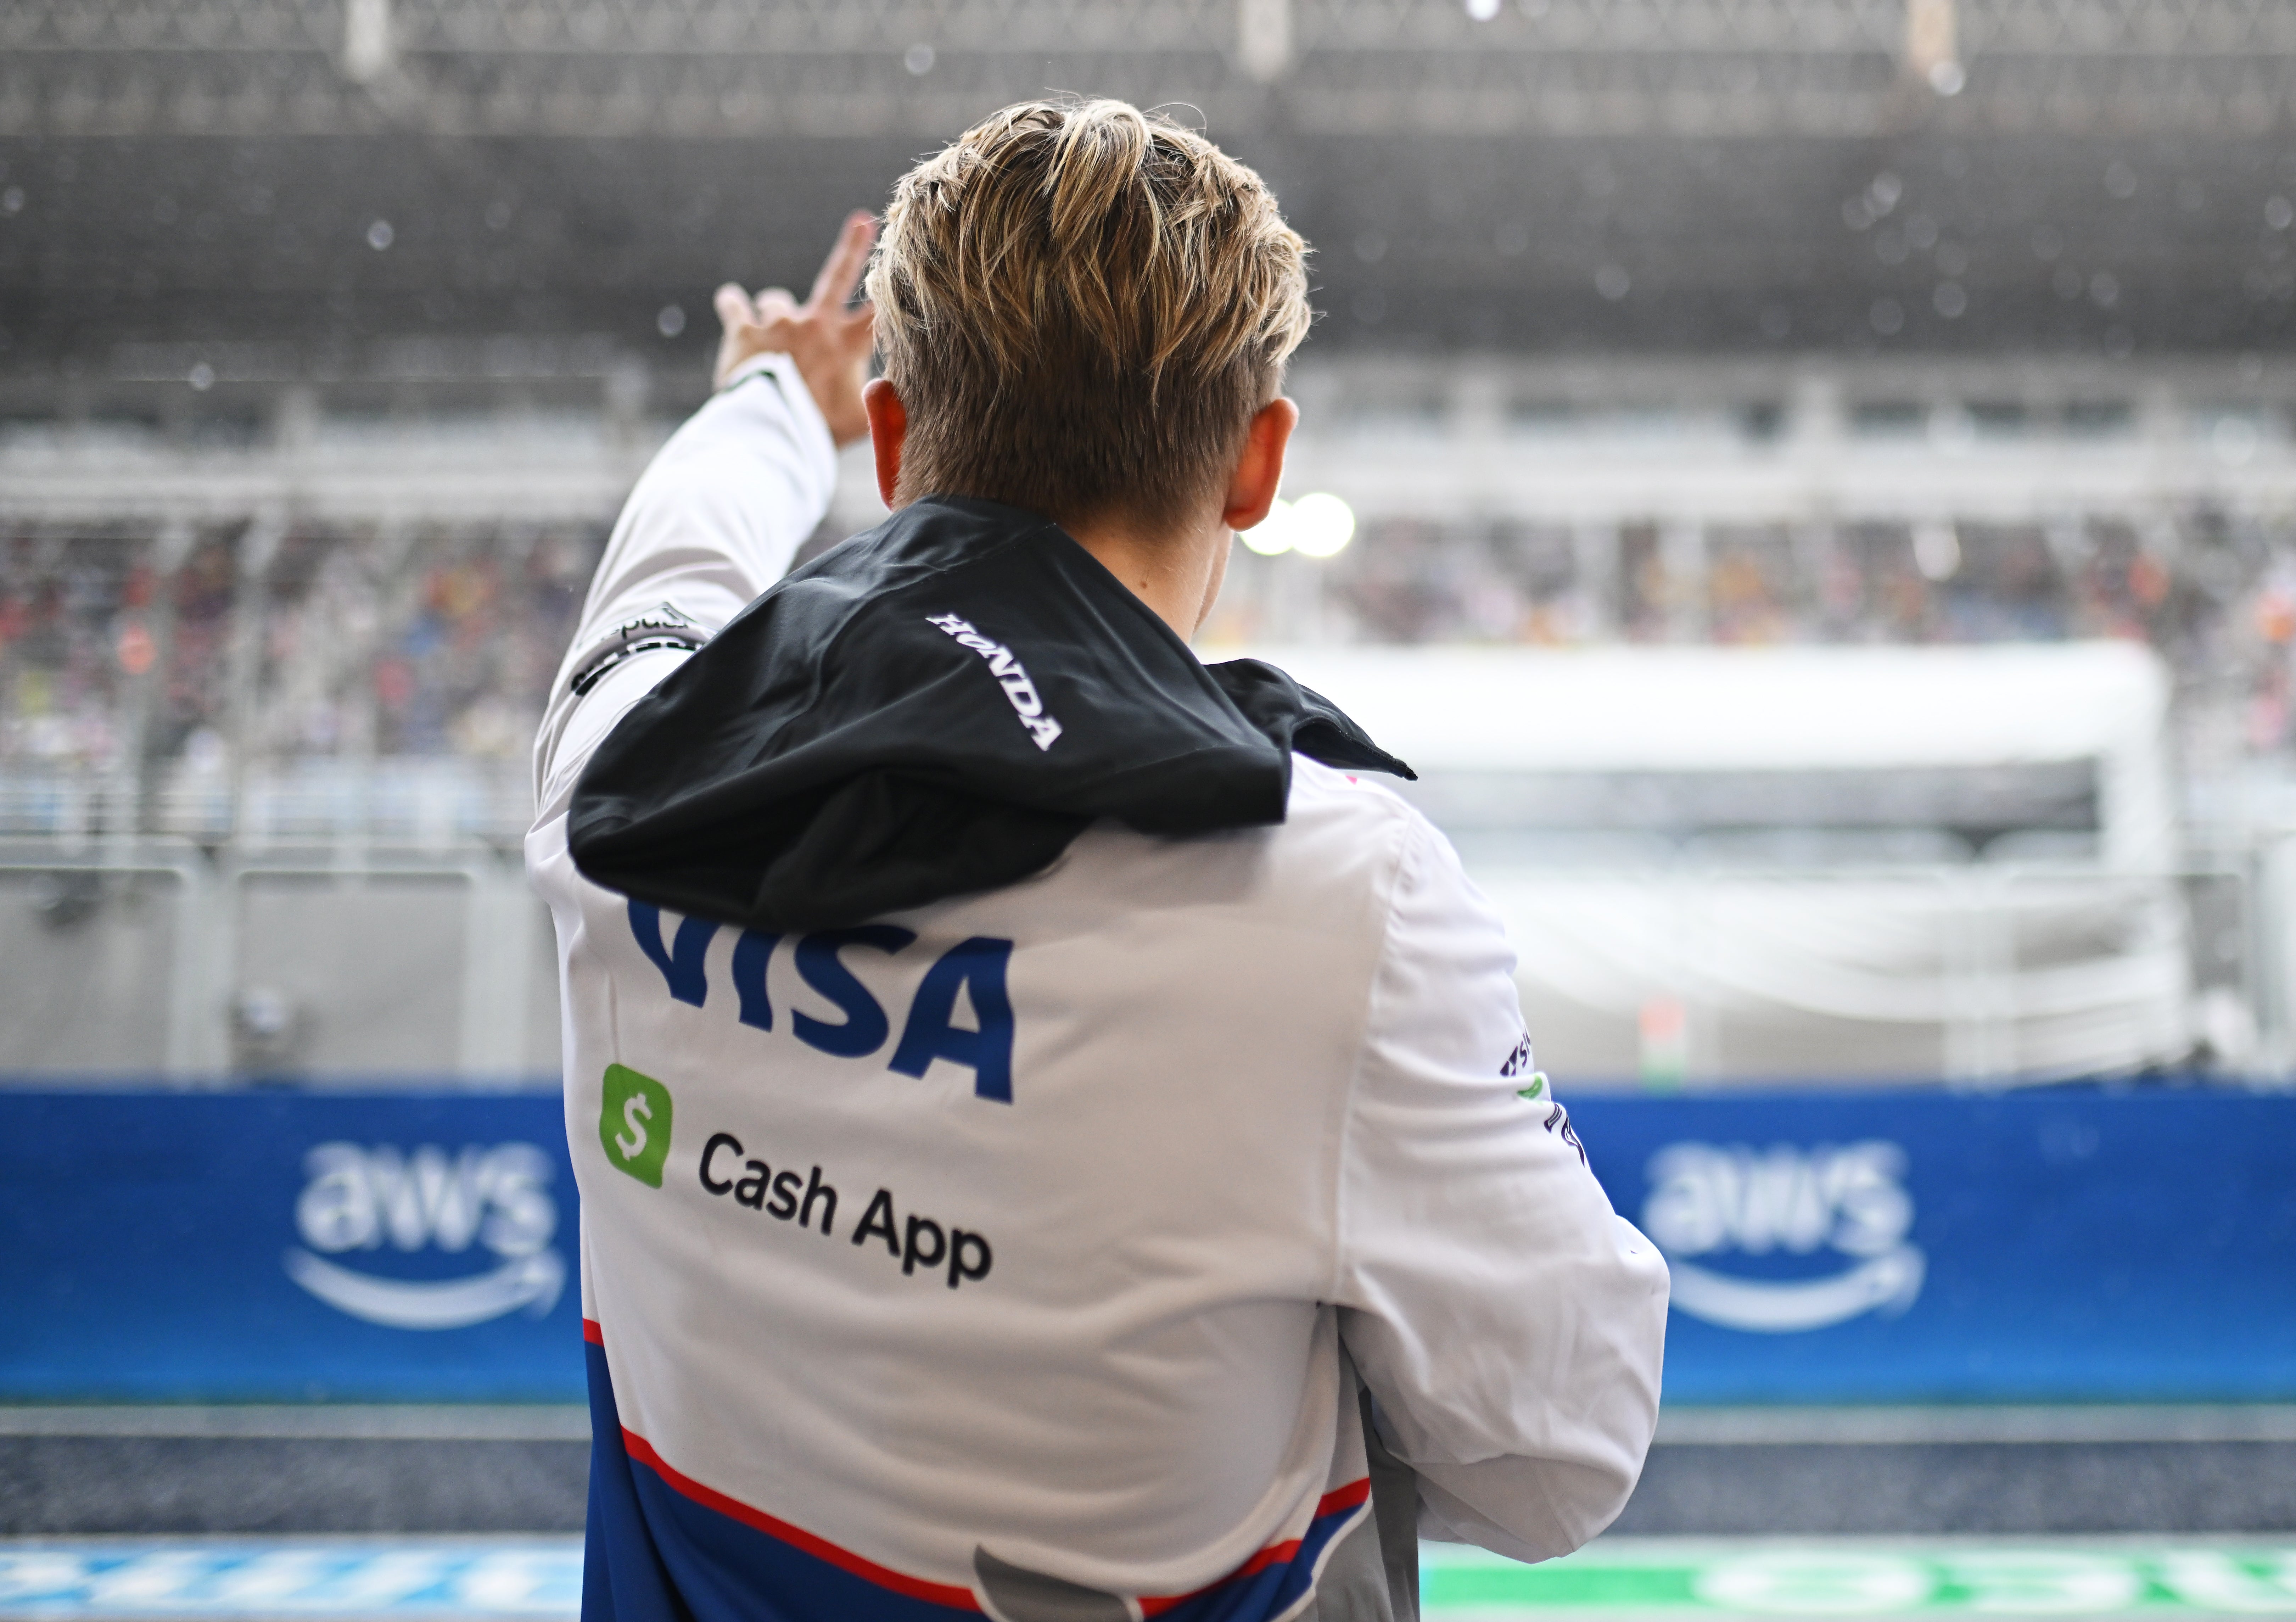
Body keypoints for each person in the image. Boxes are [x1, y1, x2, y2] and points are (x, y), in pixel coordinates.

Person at [528, 99, 1668, 1622]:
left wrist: (760, 405)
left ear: (892, 443)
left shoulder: (618, 775)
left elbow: (668, 572)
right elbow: (1562, 1452)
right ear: (1258, 466)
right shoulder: (1337, 893)